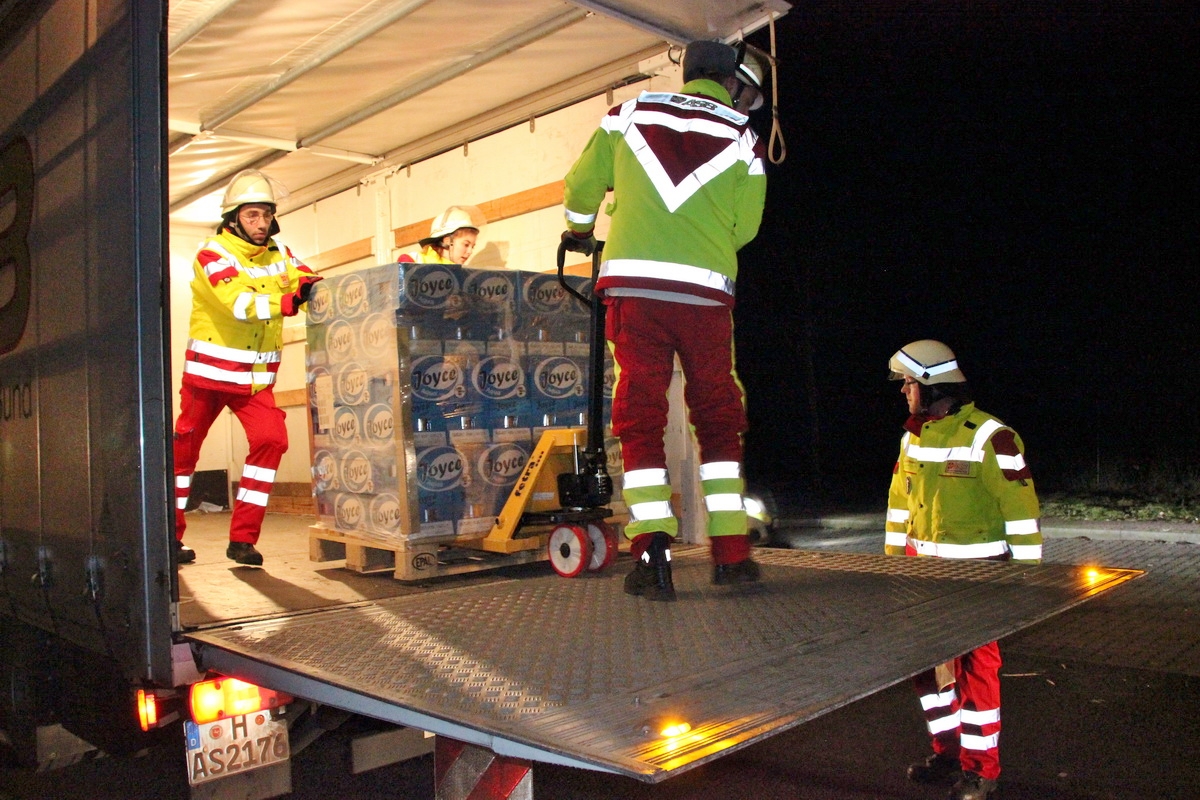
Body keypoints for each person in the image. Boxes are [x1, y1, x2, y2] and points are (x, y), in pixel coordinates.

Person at [561, 39, 768, 601]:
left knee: (640, 416)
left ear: (686, 73)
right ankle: (731, 555)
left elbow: (580, 189)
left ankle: (653, 559)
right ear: (728, 82)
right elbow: (746, 226)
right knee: (719, 415)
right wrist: (703, 244)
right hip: (705, 298)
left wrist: (581, 230)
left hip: (636, 291)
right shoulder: (743, 137)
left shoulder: (627, 115)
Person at [884, 339, 1043, 800]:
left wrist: (1028, 584)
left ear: (931, 385)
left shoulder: (992, 436)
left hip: (979, 579)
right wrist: (889, 572)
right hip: (919, 578)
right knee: (927, 673)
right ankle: (948, 754)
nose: (903, 392)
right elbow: (898, 508)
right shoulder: (912, 435)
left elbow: (1022, 515)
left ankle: (981, 771)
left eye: (909, 383)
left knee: (977, 676)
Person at [172, 169, 322, 566]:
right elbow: (240, 305)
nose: (262, 224)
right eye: (253, 215)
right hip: (209, 378)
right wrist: (289, 301)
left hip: (254, 382)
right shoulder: (212, 255)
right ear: (234, 217)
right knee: (183, 458)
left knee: (272, 440)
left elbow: (305, 277)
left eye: (267, 215)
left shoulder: (280, 254)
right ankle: (167, 537)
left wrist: (309, 286)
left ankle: (242, 540)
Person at [399, 205, 483, 265]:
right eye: (466, 244)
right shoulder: (414, 260)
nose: (470, 252)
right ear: (447, 241)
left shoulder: (461, 276)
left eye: (472, 247)